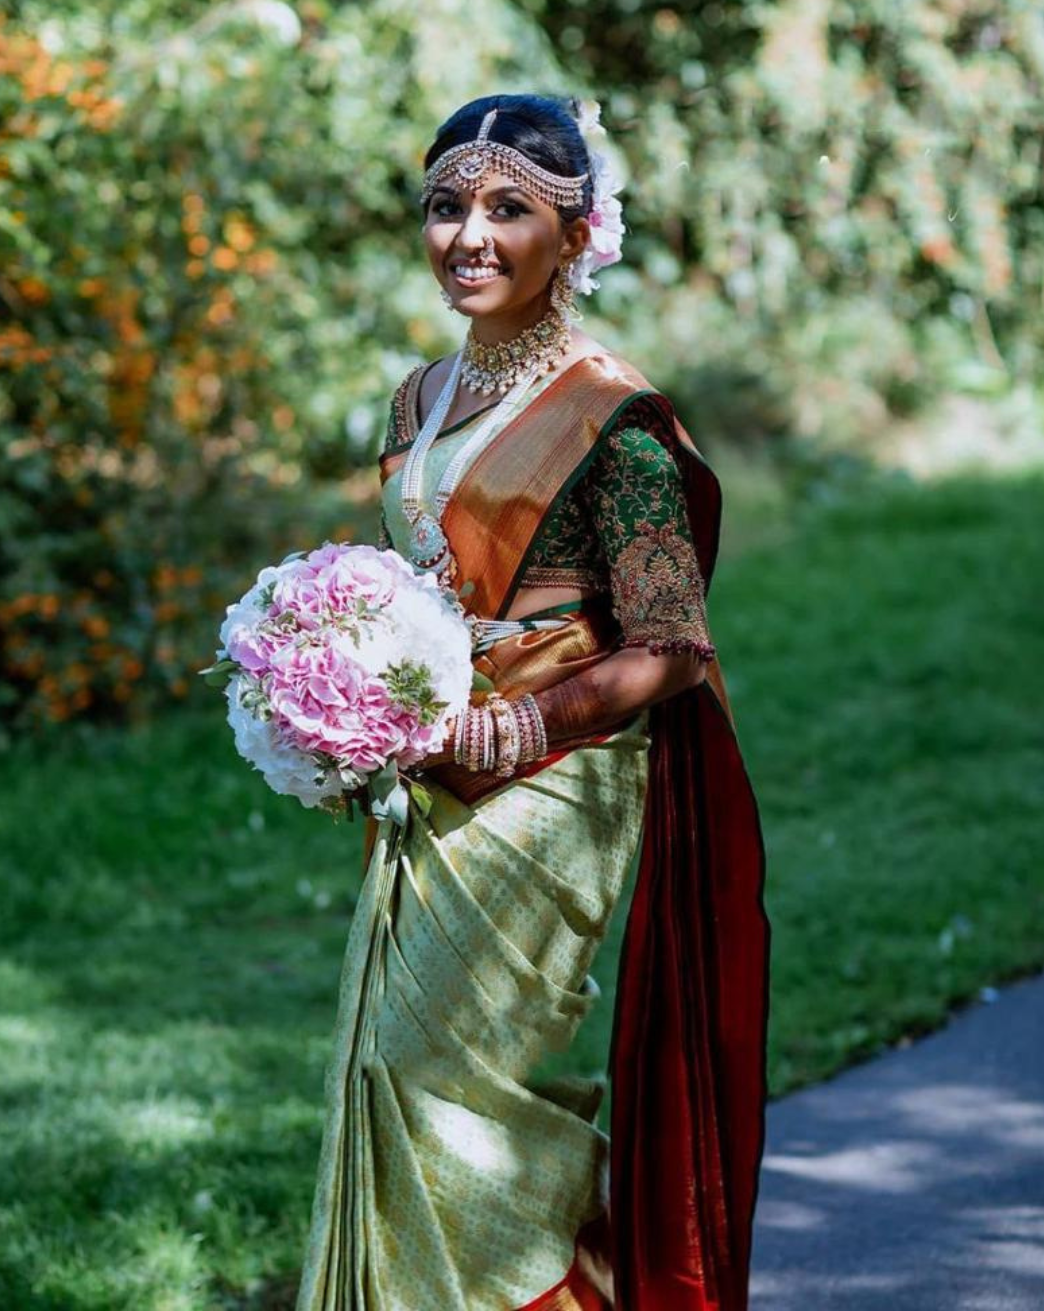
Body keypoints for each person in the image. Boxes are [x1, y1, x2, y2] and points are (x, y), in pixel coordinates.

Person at [295, 93, 771, 1311]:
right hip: (430, 775)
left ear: (575, 234)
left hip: (563, 772)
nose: (472, 235)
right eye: (448, 205)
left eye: (510, 207)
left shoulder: (616, 424)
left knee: (446, 1072)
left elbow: (669, 645)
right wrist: (344, 698)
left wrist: (520, 723)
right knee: (385, 1072)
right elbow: (413, 595)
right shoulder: (415, 403)